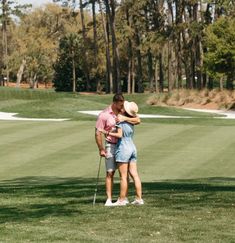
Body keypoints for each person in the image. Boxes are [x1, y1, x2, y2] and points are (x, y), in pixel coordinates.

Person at [95, 94, 140, 206]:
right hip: (111, 145)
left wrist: (124, 117)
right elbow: (98, 133)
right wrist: (101, 149)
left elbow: (138, 120)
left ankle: (123, 198)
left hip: (123, 146)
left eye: (123, 105)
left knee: (124, 174)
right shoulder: (103, 115)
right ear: (114, 103)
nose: (122, 107)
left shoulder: (124, 113)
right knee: (110, 172)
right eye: (120, 105)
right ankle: (109, 199)